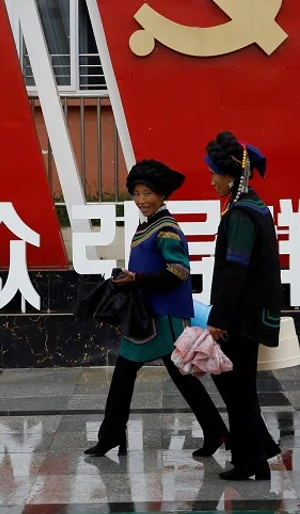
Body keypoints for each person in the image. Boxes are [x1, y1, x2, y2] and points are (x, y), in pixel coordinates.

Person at [84, 159, 228, 457]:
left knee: (151, 375)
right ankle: (214, 432)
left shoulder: (166, 229)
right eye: (137, 193)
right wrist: (130, 279)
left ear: (162, 195)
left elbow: (179, 271)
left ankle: (113, 436)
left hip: (163, 316)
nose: (141, 200)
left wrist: (137, 278)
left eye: (147, 193)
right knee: (164, 376)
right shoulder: (147, 226)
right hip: (147, 315)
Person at [204, 131, 285, 481]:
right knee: (240, 388)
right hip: (249, 313)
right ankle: (255, 457)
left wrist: (218, 317)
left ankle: (254, 459)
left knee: (238, 390)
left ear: (231, 177)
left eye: (215, 175)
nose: (211, 181)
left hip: (240, 317)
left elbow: (235, 271)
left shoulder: (240, 214)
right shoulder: (254, 206)